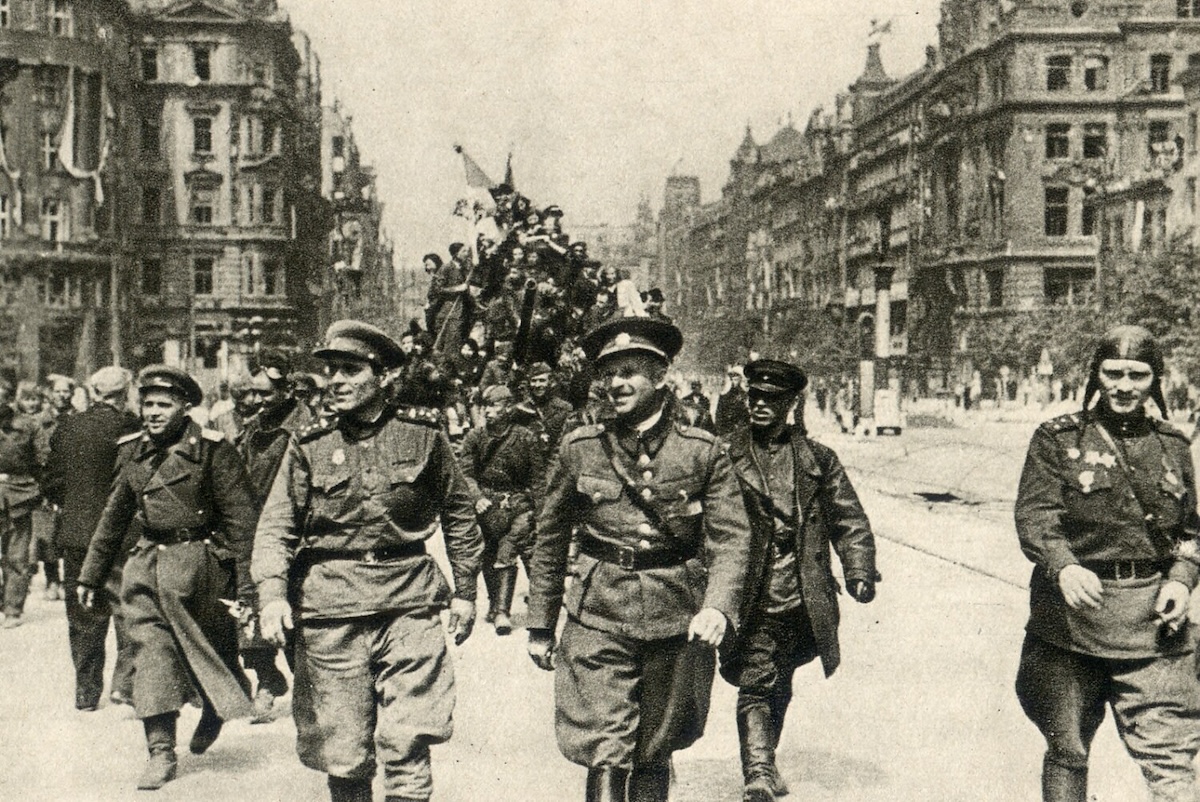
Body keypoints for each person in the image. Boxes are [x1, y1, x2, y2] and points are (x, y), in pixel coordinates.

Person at [252, 320, 483, 802]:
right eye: (330, 370)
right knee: (344, 748)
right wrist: (272, 596)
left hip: (409, 602)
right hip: (332, 609)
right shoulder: (310, 445)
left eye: (350, 370)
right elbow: (276, 526)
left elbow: (459, 511)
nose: (335, 380)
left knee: (410, 738)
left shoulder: (422, 435)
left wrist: (464, 591)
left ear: (383, 377)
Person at [526, 316, 751, 802]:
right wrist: (540, 624)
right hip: (597, 612)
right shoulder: (581, 448)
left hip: (675, 612)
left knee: (654, 745)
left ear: (661, 374)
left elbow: (732, 538)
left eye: (629, 371)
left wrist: (718, 606)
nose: (615, 383)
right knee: (606, 745)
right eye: (607, 373)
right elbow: (549, 536)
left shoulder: (701, 452)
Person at [1014, 325, 1200, 802]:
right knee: (1068, 748)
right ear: (1096, 375)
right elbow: (1035, 516)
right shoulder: (1056, 439)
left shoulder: (1173, 446)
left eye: (1137, 375)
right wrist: (1064, 566)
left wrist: (1181, 578)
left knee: (1172, 759)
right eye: (1112, 372)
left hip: (1153, 623)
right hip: (1073, 625)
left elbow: (1190, 531)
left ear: (1154, 380)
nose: (1123, 385)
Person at [77, 365, 257, 790]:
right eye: (148, 404)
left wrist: (250, 588)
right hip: (146, 567)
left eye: (165, 404)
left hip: (201, 570)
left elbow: (243, 523)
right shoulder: (133, 451)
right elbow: (114, 516)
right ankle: (160, 750)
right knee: (150, 653)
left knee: (211, 650)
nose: (153, 413)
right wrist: (90, 575)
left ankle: (216, 706)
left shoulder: (213, 450)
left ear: (186, 407)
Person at [718, 360, 878, 802]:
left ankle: (764, 759)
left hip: (802, 591)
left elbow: (849, 519)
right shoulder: (723, 453)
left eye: (771, 399)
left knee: (780, 680)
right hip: (747, 590)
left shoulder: (817, 458)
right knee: (756, 678)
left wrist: (860, 569)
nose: (760, 406)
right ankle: (758, 771)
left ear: (790, 404)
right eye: (754, 398)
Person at [44, 366, 140, 711]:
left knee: (83, 613)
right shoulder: (130, 427)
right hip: (119, 534)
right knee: (125, 608)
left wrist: (73, 506)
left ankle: (86, 690)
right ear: (124, 393)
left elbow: (51, 479)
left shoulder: (68, 425)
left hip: (76, 533)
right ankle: (124, 685)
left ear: (95, 392)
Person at [236, 350, 314, 723]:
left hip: (295, 536)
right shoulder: (252, 430)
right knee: (248, 613)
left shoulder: (307, 430)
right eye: (253, 393)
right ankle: (267, 679)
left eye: (266, 394)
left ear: (286, 391)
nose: (256, 401)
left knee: (295, 617)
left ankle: (310, 690)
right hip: (254, 534)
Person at [459, 384, 544, 635]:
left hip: (517, 505)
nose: (487, 411)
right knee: (488, 555)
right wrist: (476, 497)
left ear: (508, 408)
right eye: (485, 406)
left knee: (506, 553)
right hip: (487, 505)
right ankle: (495, 605)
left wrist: (541, 513)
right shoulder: (475, 437)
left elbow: (538, 479)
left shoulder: (526, 437)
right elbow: (465, 474)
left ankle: (502, 613)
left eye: (494, 405)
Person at [0, 380, 43, 628]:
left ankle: (13, 608)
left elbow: (41, 460)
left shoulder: (27, 426)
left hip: (19, 495)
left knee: (17, 554)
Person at [716, 367, 750, 436]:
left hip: (740, 430)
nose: (734, 381)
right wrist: (719, 432)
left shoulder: (744, 395)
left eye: (736, 378)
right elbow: (719, 414)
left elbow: (746, 416)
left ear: (740, 379)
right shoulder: (724, 395)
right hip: (726, 430)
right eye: (732, 378)